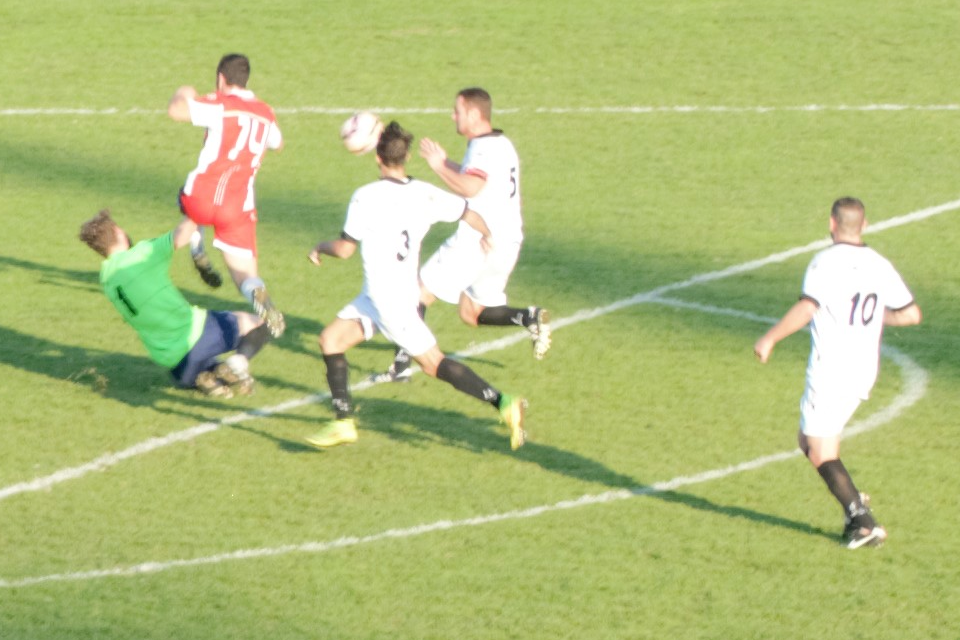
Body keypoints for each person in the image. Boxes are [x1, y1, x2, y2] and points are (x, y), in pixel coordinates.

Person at [304, 121, 528, 450]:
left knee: (433, 363)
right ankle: (343, 422)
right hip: (382, 295)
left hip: (390, 302)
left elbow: (345, 249)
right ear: (406, 156)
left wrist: (319, 247)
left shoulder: (365, 196)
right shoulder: (425, 193)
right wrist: (488, 234)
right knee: (330, 339)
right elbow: (468, 212)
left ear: (377, 158)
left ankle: (503, 402)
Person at [754, 197, 922, 549]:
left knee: (820, 451)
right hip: (864, 370)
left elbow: (807, 308)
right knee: (809, 439)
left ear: (832, 223)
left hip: (831, 370)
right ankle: (850, 502)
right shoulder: (879, 264)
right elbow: (910, 315)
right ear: (864, 224)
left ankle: (862, 521)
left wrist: (770, 339)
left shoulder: (824, 262)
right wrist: (875, 320)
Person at [375, 87, 550, 383]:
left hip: (477, 239)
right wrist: (447, 163)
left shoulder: (482, 148)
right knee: (472, 312)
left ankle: (400, 367)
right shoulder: (501, 143)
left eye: (457, 111)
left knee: (416, 294)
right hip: (507, 241)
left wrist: (437, 166)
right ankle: (528, 317)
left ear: (473, 113)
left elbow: (471, 187)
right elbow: (478, 178)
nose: (453, 116)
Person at [79, 209, 274, 398]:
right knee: (263, 322)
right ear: (118, 233)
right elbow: (182, 234)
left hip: (172, 362)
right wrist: (198, 203)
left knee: (211, 368)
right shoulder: (141, 255)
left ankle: (208, 379)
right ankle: (239, 362)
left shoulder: (107, 278)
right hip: (197, 335)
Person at [167, 53, 286, 338]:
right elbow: (278, 143)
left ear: (221, 79)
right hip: (239, 207)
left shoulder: (220, 105)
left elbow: (177, 111)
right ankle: (259, 296)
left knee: (187, 206)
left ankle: (194, 245)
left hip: (203, 195)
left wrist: (184, 92)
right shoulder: (265, 113)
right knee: (245, 274)